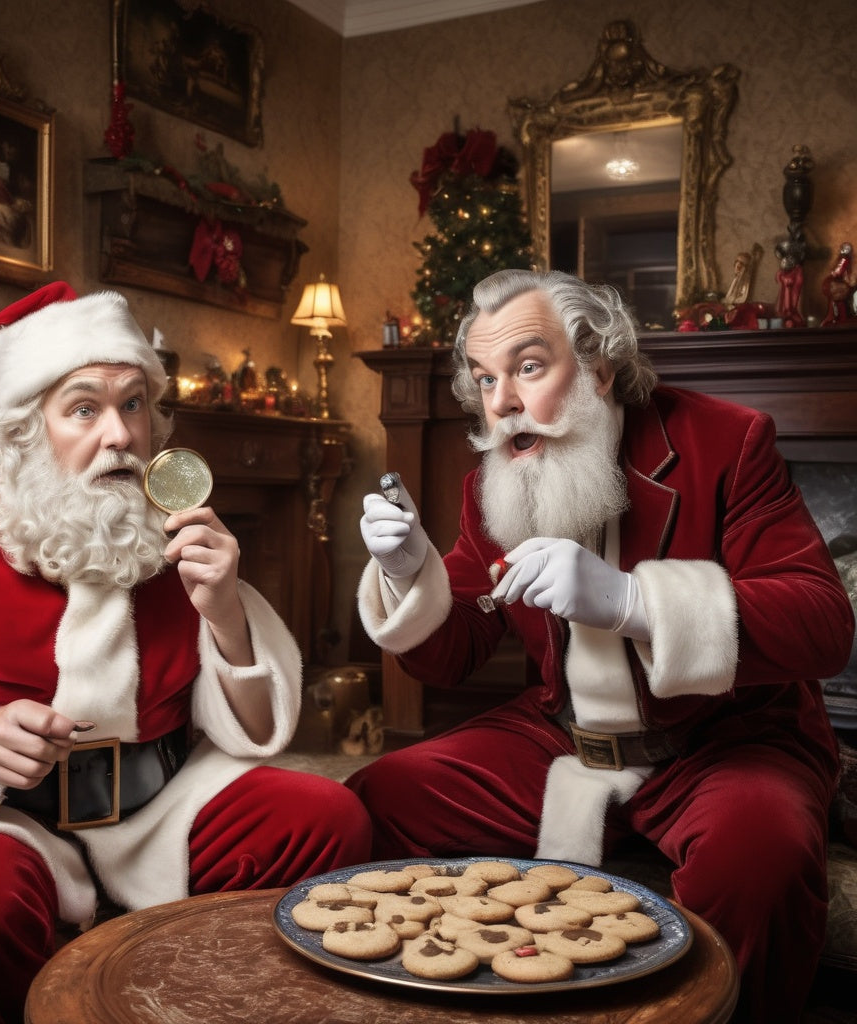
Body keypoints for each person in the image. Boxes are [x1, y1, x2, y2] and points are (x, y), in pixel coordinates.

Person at [0, 282, 372, 1024]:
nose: (120, 434)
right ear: (23, 429)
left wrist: (224, 611)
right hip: (3, 818)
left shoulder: (175, 522)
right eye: (84, 408)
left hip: (161, 804)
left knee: (327, 818)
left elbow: (247, 728)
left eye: (133, 404)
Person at [347, 268, 854, 1022]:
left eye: (526, 366)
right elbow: (454, 645)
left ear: (598, 368)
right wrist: (407, 570)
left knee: (760, 861)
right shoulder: (499, 480)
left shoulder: (726, 440)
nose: (503, 404)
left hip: (724, 736)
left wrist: (632, 602)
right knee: (379, 799)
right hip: (561, 736)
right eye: (485, 380)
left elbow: (823, 624)